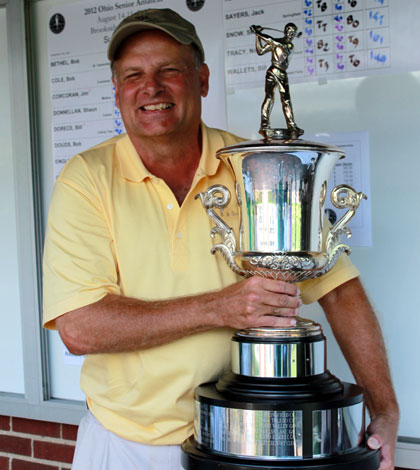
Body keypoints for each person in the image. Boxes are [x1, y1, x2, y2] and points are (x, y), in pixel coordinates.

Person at [42, 8, 398, 470]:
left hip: (245, 445)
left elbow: (340, 289)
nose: (151, 88)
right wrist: (220, 307)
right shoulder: (86, 178)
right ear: (116, 91)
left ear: (202, 79)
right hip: (126, 443)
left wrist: (385, 410)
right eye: (133, 75)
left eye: (169, 70)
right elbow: (79, 327)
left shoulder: (256, 166)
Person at [250, 23, 303, 137]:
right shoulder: (277, 43)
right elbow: (260, 51)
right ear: (285, 31)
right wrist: (257, 37)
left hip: (281, 73)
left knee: (286, 100)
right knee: (269, 97)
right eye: (289, 31)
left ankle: (292, 125)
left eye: (293, 32)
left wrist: (258, 33)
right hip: (272, 71)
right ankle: (264, 124)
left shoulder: (288, 46)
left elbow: (272, 41)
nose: (291, 34)